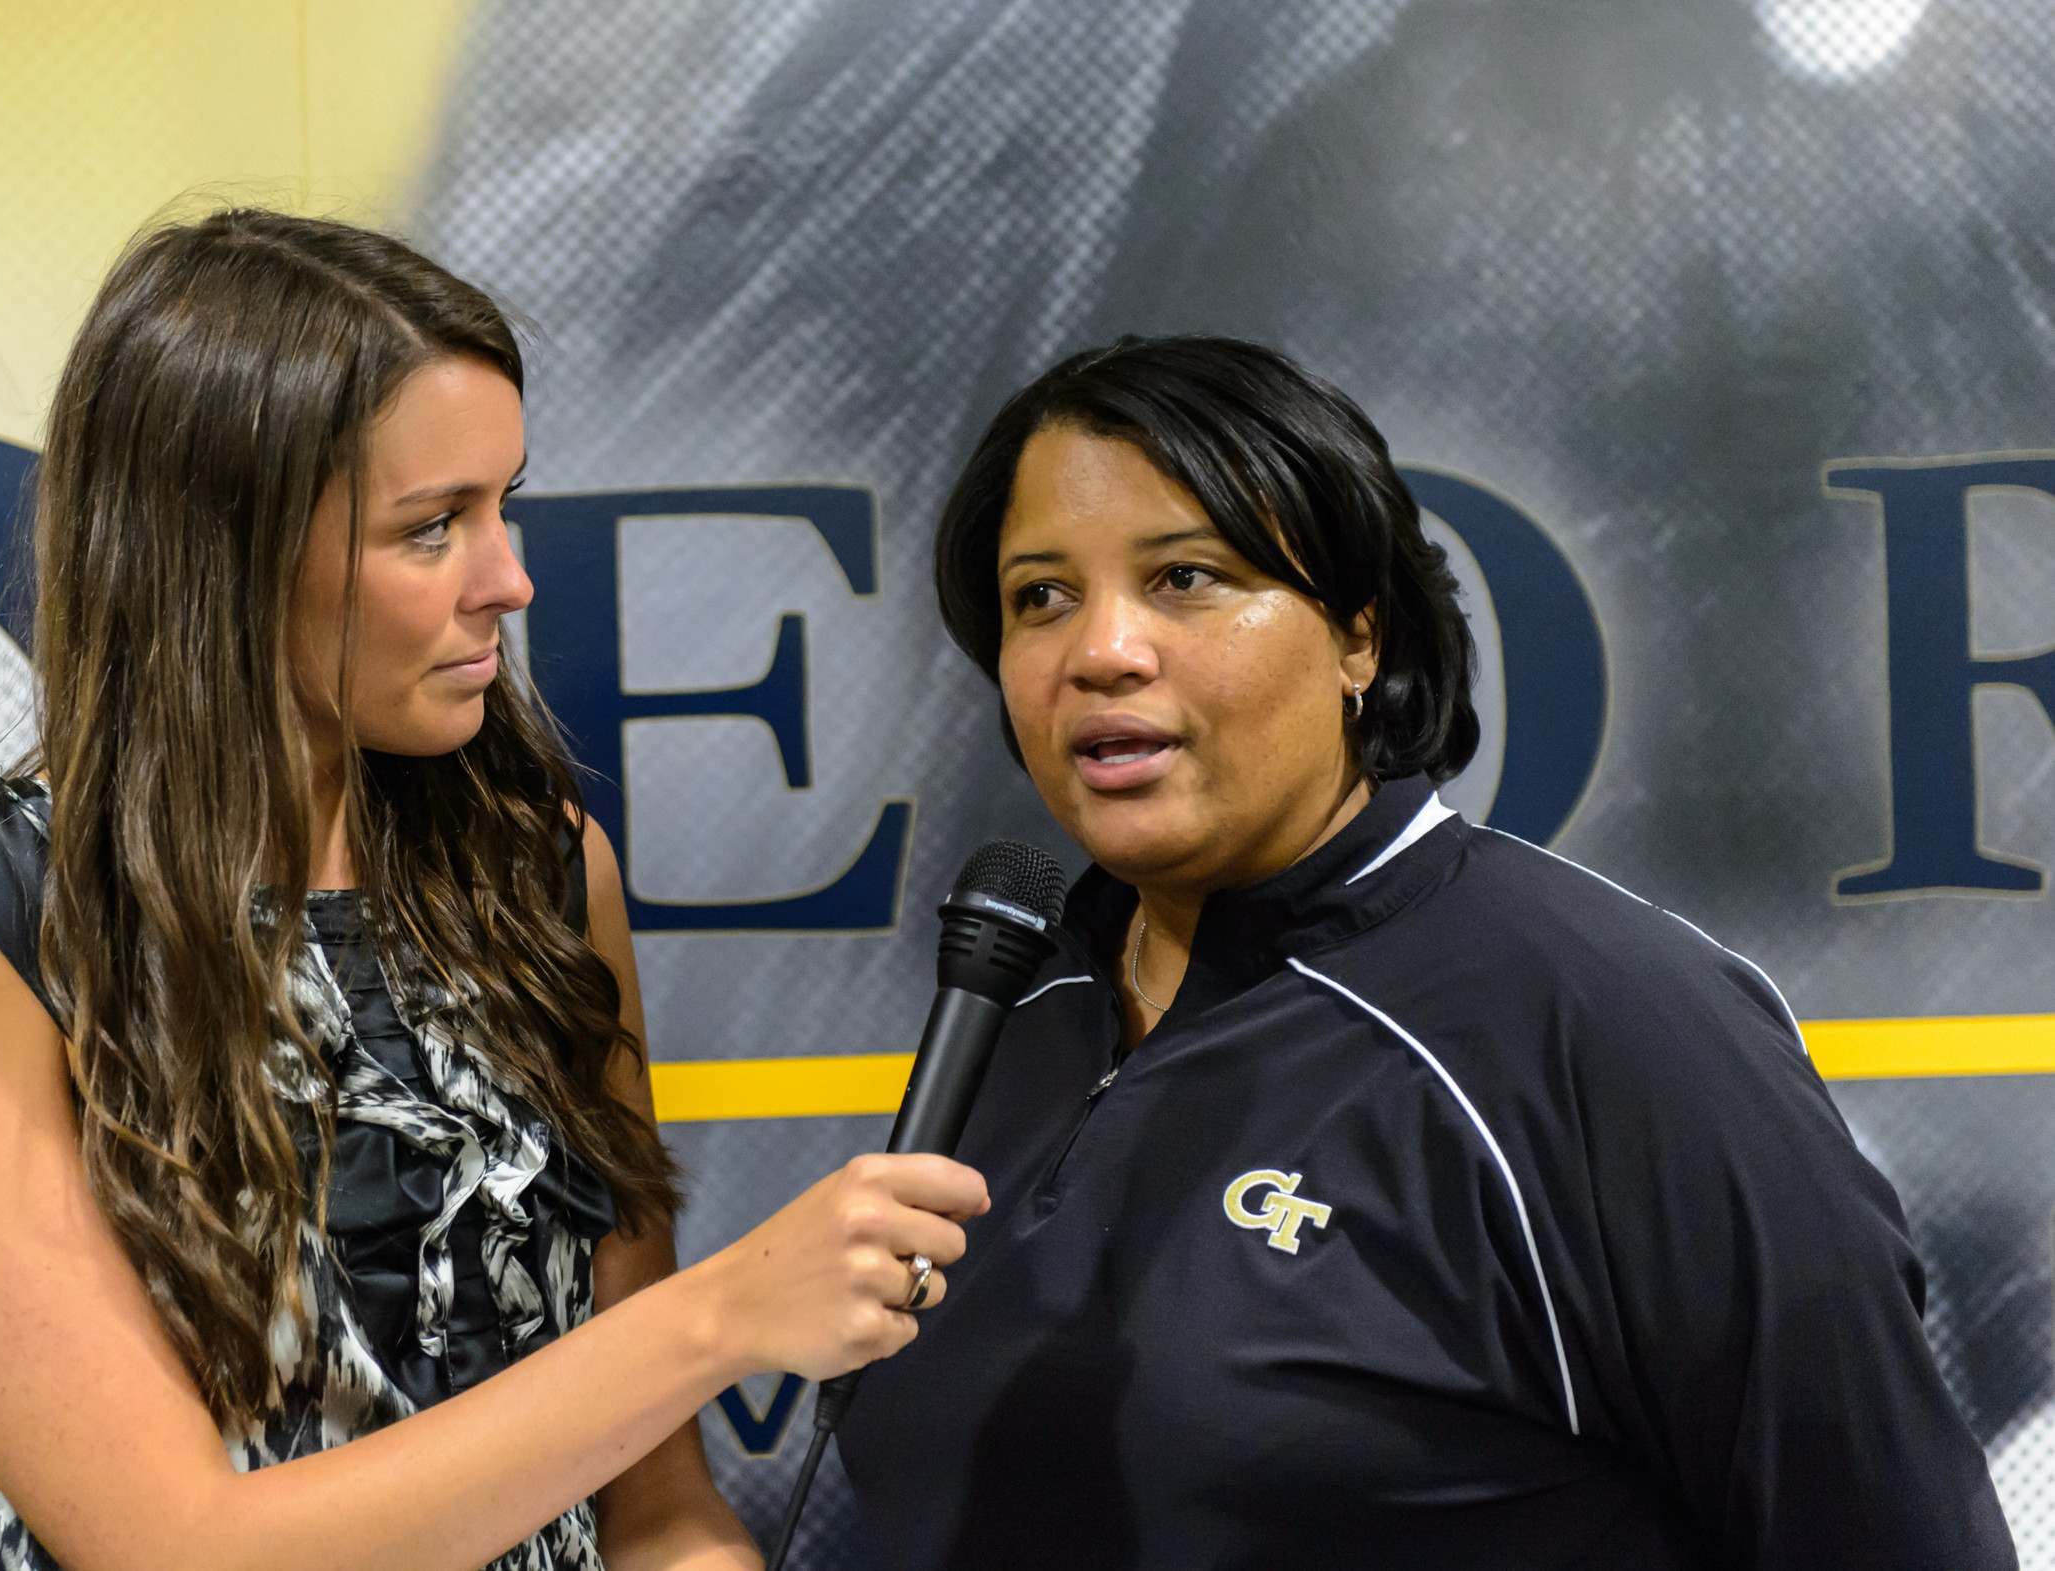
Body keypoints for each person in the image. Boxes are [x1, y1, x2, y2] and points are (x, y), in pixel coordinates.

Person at [0, 209, 986, 1571]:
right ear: (224, 547)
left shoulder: (544, 875)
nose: (508, 578)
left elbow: (655, 1504)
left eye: (503, 504)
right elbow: (175, 1541)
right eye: (433, 527)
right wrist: (726, 1316)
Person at [836, 335, 2015, 1569]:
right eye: (1041, 594)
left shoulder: (1608, 1020)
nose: (1101, 649)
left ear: (1361, 635)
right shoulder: (1017, 1003)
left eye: (1185, 576)